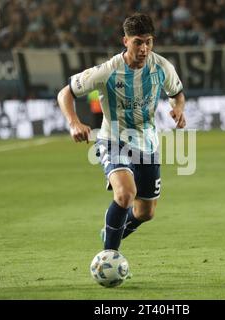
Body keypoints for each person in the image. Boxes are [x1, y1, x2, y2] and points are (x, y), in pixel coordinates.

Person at [57, 13, 186, 253]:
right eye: (138, 41)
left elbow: (177, 93)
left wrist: (178, 108)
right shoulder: (107, 71)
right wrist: (74, 122)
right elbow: (65, 93)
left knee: (145, 213)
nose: (144, 48)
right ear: (125, 41)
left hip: (148, 145)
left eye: (148, 41)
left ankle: (111, 230)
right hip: (114, 140)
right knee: (126, 194)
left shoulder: (162, 67)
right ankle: (109, 257)